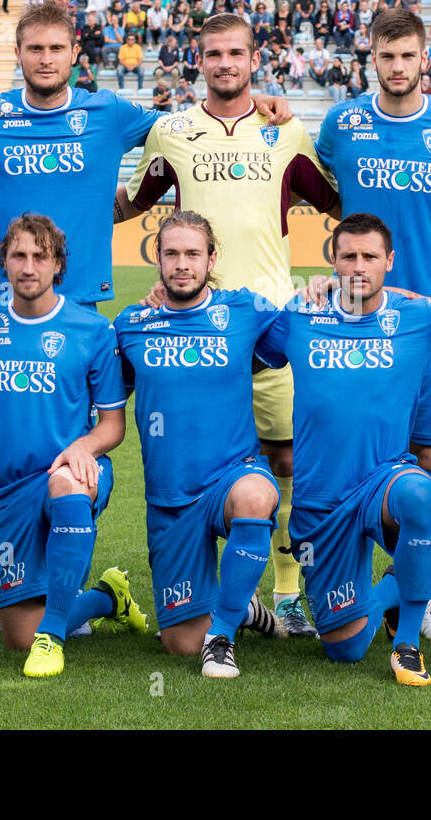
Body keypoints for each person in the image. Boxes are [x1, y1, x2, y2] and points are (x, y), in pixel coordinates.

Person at [0, 1, 294, 636]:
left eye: (56, 49)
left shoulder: (110, 113)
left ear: (75, 56)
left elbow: (191, 123)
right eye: (33, 49)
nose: (45, 59)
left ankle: (93, 584)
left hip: (82, 312)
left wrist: (257, 102)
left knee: (79, 455)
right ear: (18, 56)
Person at [117, 14, 338, 635]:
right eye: (213, 53)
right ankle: (215, 592)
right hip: (191, 328)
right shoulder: (171, 132)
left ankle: (289, 592)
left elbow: (336, 202)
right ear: (199, 60)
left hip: (268, 327)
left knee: (288, 458)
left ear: (253, 58)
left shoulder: (285, 131)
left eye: (235, 53)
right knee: (205, 461)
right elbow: (131, 203)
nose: (224, 63)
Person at [314, 8, 431, 642]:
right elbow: (325, 188)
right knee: (354, 449)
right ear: (372, 59)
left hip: (425, 323)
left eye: (406, 57)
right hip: (353, 319)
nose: (396, 68)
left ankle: (416, 597)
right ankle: (349, 583)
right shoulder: (342, 124)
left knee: (425, 453)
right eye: (385, 57)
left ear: (425, 59)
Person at [0, 214, 144, 677]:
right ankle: (107, 597)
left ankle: (53, 637)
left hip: (70, 471)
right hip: (7, 492)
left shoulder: (92, 330)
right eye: (19, 255)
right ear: (3, 265)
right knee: (17, 637)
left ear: (58, 265)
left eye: (40, 256)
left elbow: (113, 424)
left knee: (66, 484)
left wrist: (85, 448)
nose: (29, 266)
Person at [259, 214, 431, 686]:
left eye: (370, 256)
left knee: (420, 493)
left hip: (382, 479)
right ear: (332, 260)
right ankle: (392, 592)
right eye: (349, 256)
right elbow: (236, 353)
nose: (359, 266)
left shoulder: (420, 317)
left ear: (390, 261)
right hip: (319, 499)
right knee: (345, 649)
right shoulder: (300, 315)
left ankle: (407, 641)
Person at [114, 212, 291, 676]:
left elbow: (312, 333)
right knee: (179, 645)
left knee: (256, 497)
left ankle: (224, 633)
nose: (182, 264)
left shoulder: (244, 310)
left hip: (233, 473)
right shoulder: (131, 324)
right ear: (158, 258)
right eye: (171, 253)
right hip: (171, 495)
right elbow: (104, 395)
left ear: (212, 258)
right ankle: (247, 609)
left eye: (193, 253)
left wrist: (327, 293)